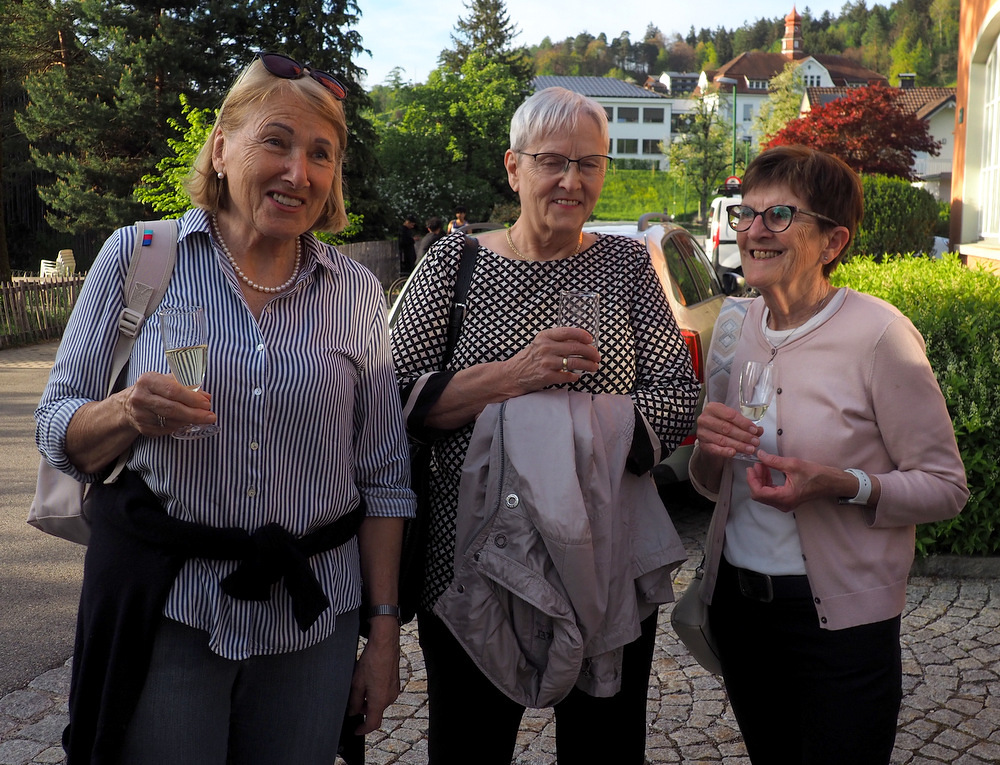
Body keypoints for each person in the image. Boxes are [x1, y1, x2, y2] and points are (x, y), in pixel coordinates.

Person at [34, 51, 414, 765]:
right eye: (276, 141)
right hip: (170, 608)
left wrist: (384, 632)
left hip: (313, 616)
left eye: (321, 154)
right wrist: (126, 411)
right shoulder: (140, 257)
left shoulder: (357, 293)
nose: (298, 172)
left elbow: (385, 477)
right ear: (220, 148)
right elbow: (56, 427)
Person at [390, 86, 700, 765]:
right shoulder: (454, 263)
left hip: (600, 559)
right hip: (469, 562)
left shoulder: (626, 266)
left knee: (604, 751)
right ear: (514, 167)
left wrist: (573, 437)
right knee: (469, 748)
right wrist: (518, 375)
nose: (572, 180)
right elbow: (398, 400)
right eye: (553, 161)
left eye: (589, 163)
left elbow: (679, 395)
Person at [689, 145, 968, 765]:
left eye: (780, 215)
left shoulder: (879, 334)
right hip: (739, 608)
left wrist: (842, 484)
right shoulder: (733, 328)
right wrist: (709, 449)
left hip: (838, 626)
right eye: (746, 213)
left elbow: (947, 486)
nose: (754, 231)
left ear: (832, 241)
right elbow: (712, 483)